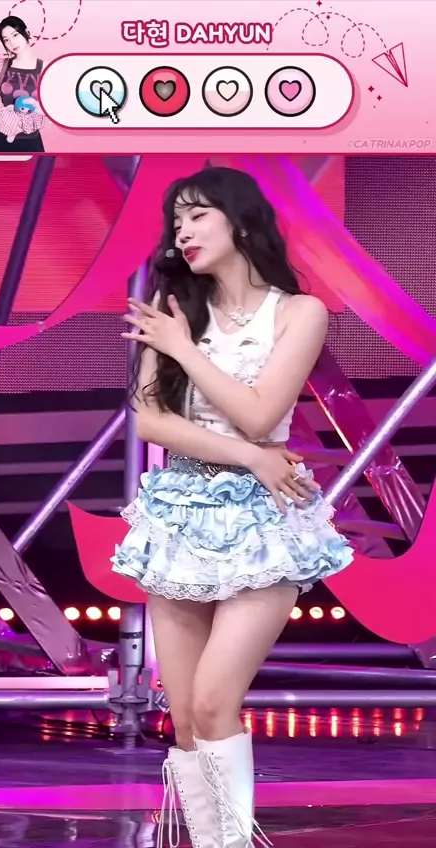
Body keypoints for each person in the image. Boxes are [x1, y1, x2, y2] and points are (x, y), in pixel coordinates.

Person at [110, 166, 354, 847]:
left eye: (197, 215)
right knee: (186, 717)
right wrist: (252, 455)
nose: (182, 232)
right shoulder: (173, 308)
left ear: (241, 221)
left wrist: (184, 351)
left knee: (217, 699)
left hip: (261, 519)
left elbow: (260, 412)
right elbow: (151, 422)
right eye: (176, 221)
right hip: (180, 512)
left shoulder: (299, 312)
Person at [0, 16, 46, 153]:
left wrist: (22, 126)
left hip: (31, 143)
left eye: (15, 35)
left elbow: (49, 108)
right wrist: (8, 122)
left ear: (27, 33)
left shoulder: (45, 68)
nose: (11, 43)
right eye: (6, 39)